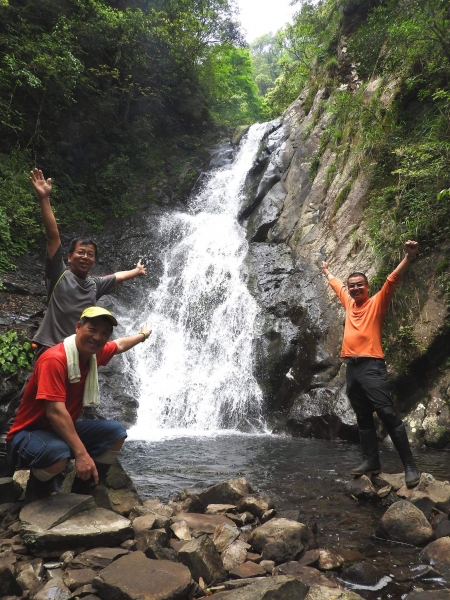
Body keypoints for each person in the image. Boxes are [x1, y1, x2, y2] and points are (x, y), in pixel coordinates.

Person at [0, 169, 147, 466]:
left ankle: (75, 462)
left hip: (81, 352)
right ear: (69, 257)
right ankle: (13, 450)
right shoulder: (58, 275)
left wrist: (137, 272)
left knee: (70, 406)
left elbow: (116, 277)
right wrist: (44, 199)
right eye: (80, 252)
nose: (85, 257)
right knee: (35, 403)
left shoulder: (94, 285)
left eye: (90, 254)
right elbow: (52, 235)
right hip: (50, 349)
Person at [6, 306, 151, 501]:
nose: (98, 337)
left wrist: (143, 335)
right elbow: (55, 412)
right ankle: (36, 492)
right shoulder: (54, 359)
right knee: (59, 452)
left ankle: (82, 492)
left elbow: (120, 345)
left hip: (60, 431)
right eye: (92, 329)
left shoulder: (93, 354)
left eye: (104, 333)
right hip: (27, 434)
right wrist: (82, 455)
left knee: (116, 432)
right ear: (78, 327)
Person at [321, 240, 420, 488]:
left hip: (372, 366)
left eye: (359, 286)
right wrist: (327, 271)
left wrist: (409, 256)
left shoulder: (376, 302)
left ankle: (410, 465)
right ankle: (371, 461)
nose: (354, 289)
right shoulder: (348, 302)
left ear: (367, 287)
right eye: (352, 286)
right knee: (363, 417)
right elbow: (336, 286)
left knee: (386, 413)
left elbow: (392, 280)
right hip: (352, 369)